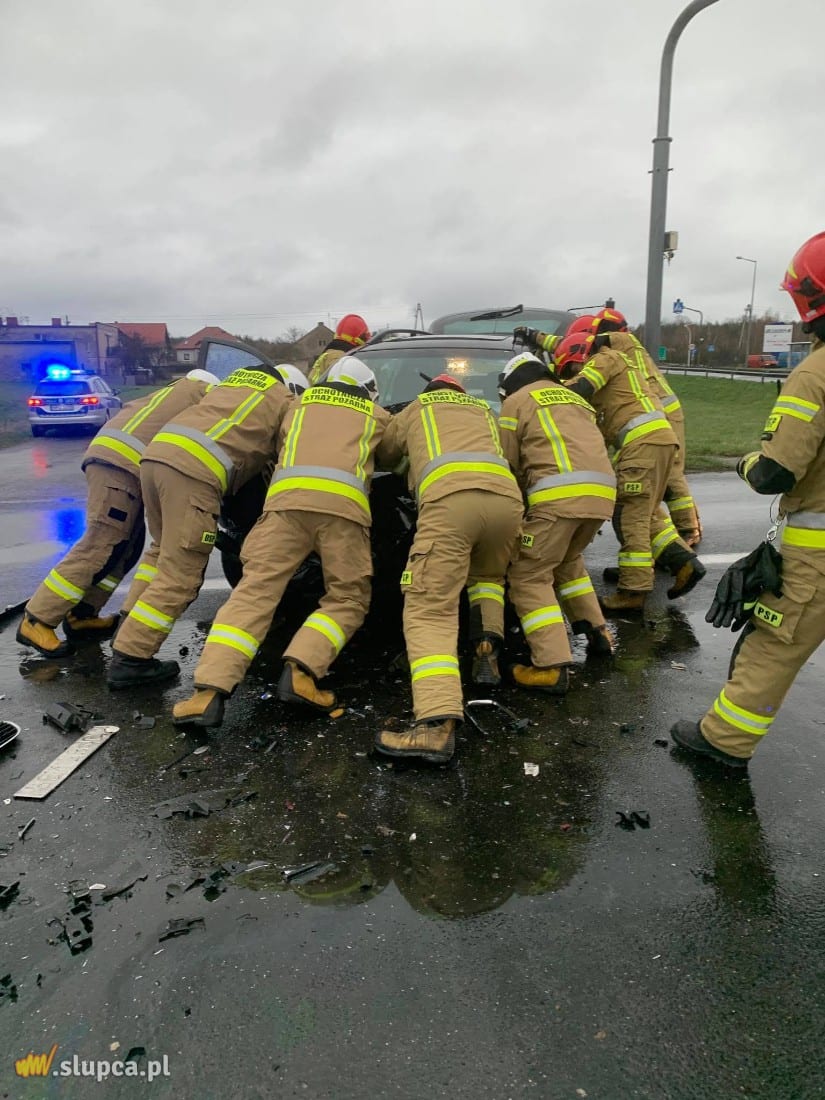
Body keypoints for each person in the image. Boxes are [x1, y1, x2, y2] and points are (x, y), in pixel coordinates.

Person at [672, 230, 825, 767]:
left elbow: (774, 474)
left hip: (818, 556)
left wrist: (743, 462)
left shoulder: (815, 375)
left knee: (771, 646)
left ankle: (722, 742)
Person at [171, 357, 392, 727]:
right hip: (343, 515)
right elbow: (398, 456)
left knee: (253, 592)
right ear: (370, 390)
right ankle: (302, 673)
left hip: (284, 509)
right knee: (347, 597)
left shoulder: (296, 405)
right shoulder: (377, 416)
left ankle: (206, 695)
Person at [107, 363, 308, 690]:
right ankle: (131, 659)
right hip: (193, 473)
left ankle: (129, 625)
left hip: (155, 459)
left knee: (163, 554)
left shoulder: (232, 385)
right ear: (294, 389)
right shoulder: (285, 400)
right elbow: (289, 454)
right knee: (182, 574)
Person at [374, 373, 523, 764]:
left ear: (430, 393)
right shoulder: (486, 412)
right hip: (506, 502)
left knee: (429, 608)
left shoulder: (418, 408)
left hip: (450, 500)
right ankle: (485, 648)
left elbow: (386, 454)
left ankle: (435, 723)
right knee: (488, 578)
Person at [16, 369, 218, 658]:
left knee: (126, 547)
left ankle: (83, 614)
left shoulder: (171, 392)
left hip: (117, 460)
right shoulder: (205, 396)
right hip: (122, 465)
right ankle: (36, 619)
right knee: (102, 542)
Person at [549, 329, 705, 613]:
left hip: (641, 444)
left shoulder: (603, 360)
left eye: (569, 368)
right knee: (647, 512)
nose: (571, 373)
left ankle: (633, 590)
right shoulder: (617, 374)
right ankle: (684, 563)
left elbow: (579, 389)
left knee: (629, 515)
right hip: (657, 440)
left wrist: (547, 392)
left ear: (578, 357)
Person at [498, 352, 616, 694]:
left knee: (528, 573)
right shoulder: (574, 398)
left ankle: (550, 666)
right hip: (600, 496)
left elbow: (507, 464)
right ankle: (599, 634)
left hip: (556, 498)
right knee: (567, 562)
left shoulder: (516, 403)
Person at [591, 306, 702, 547]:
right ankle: (677, 530)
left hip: (659, 413)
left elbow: (584, 343)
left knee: (670, 474)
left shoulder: (620, 341)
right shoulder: (624, 348)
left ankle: (688, 528)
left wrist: (541, 338)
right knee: (657, 476)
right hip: (656, 411)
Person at [308, 314, 371, 384]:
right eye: (364, 337)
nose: (367, 341)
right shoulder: (341, 360)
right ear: (357, 339)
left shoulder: (329, 353)